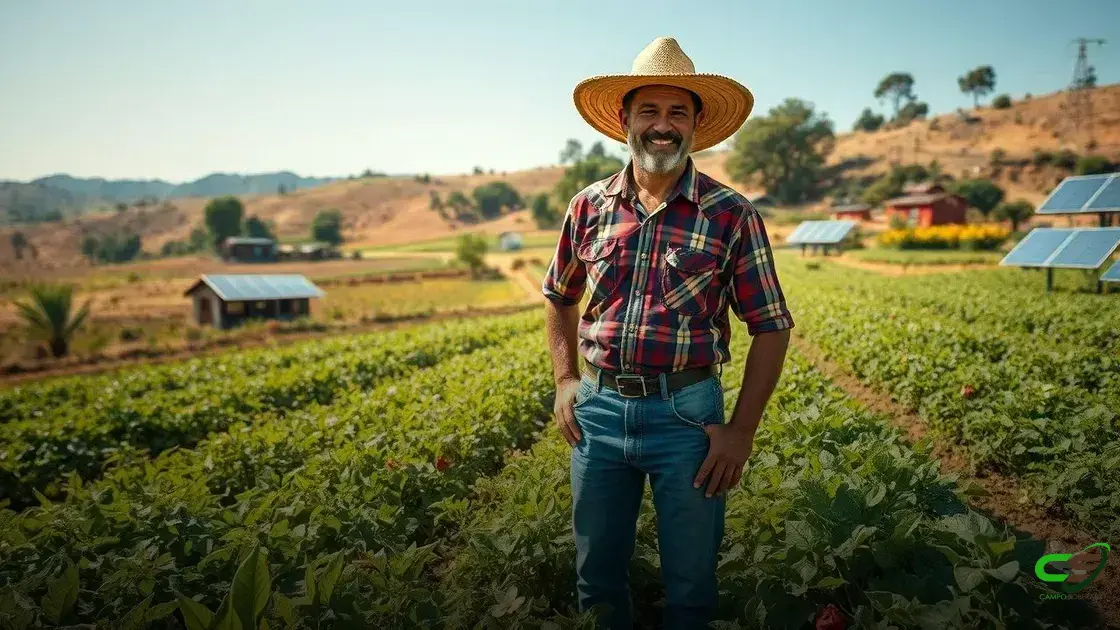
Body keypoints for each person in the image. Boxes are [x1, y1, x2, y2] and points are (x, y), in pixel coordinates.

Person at [541, 36, 794, 629]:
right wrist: (563, 379)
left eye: (677, 111)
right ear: (625, 119)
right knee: (596, 576)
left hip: (688, 417)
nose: (662, 125)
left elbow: (772, 327)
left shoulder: (730, 213)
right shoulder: (589, 207)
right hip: (598, 412)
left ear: (696, 124)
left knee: (690, 583)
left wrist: (740, 433)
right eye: (649, 111)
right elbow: (558, 295)